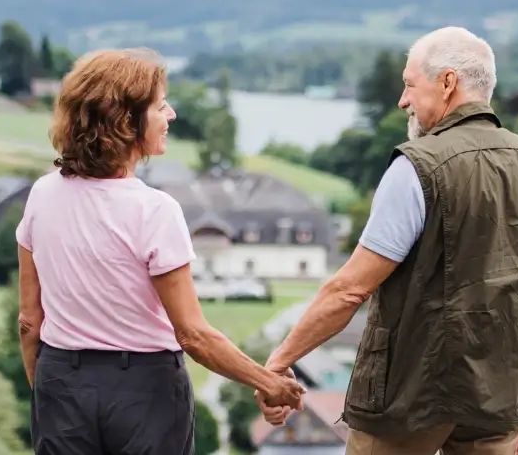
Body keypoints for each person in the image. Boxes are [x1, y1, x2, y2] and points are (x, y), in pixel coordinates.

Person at [258, 27, 518, 455]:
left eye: (409, 85)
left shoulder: (416, 167)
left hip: (407, 403)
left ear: (447, 83)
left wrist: (277, 364)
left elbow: (350, 289)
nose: (402, 101)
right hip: (499, 405)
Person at [16, 48, 306, 454]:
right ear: (125, 120)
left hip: (61, 378)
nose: (170, 116)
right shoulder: (155, 210)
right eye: (160, 106)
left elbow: (30, 320)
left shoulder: (41, 194)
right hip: (145, 390)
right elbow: (193, 335)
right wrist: (270, 383)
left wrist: (50, 391)